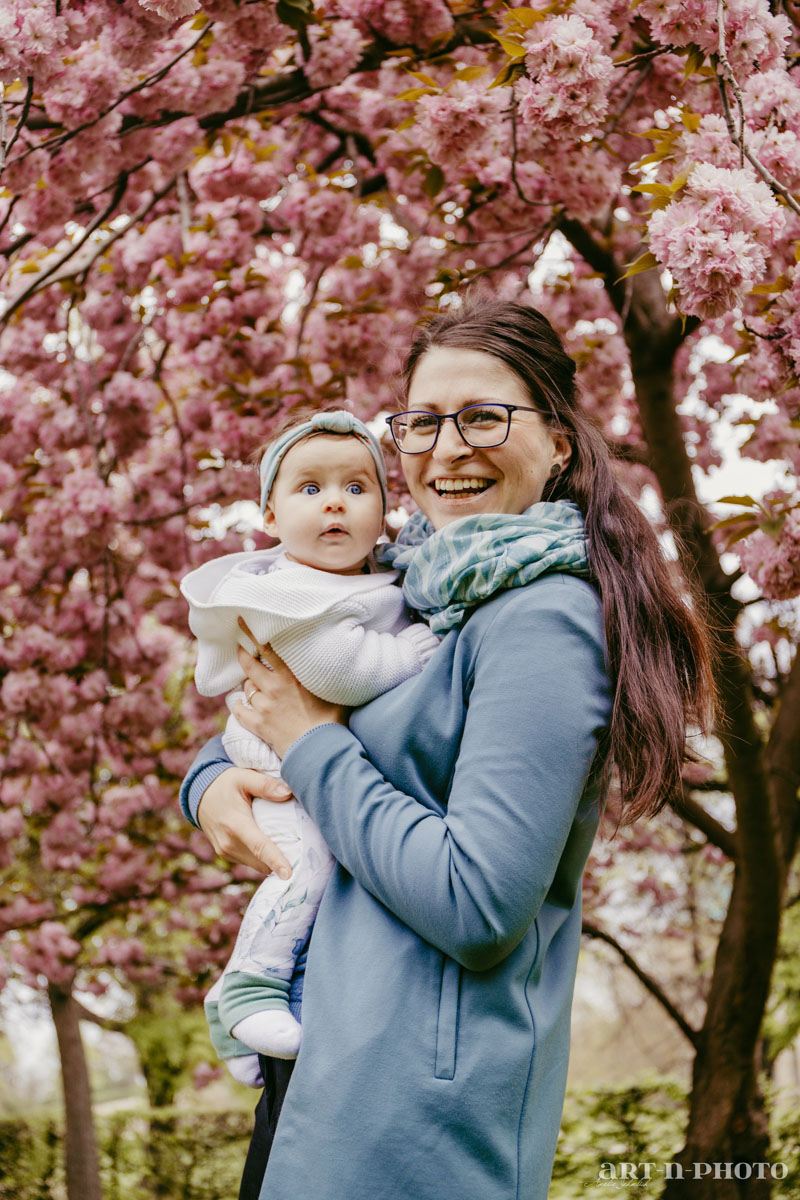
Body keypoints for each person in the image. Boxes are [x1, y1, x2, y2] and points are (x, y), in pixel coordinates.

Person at [180, 302, 715, 1200]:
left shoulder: (541, 618)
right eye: (422, 422)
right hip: (328, 1061)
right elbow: (284, 706)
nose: (446, 447)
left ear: (560, 443)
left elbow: (477, 904)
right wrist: (207, 783)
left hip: (409, 1119)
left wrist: (310, 745)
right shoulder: (433, 588)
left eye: (482, 417)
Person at [181, 409, 439, 1080]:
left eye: (358, 488)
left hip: (309, 762)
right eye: (309, 488)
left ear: (386, 510)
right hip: (276, 767)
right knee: (308, 867)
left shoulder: (367, 579)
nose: (334, 501)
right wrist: (418, 648)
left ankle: (242, 1012)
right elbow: (337, 671)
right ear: (268, 515)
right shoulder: (286, 592)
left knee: (322, 877)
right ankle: (249, 983)